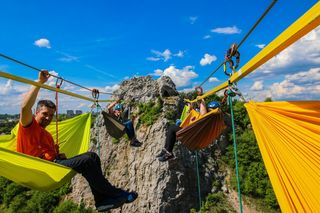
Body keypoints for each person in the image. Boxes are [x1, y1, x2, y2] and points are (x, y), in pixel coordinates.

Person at [16, 70, 138, 212]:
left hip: (53, 163)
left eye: (51, 115)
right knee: (86, 162)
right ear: (36, 113)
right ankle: (114, 193)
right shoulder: (28, 127)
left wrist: (58, 155)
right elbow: (25, 107)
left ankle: (101, 201)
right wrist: (39, 83)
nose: (48, 118)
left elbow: (50, 154)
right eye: (44, 114)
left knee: (92, 156)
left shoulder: (47, 135)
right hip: (40, 168)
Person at [156, 99, 221, 162]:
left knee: (172, 129)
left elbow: (203, 114)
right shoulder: (208, 117)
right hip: (192, 133)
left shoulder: (210, 117)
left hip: (194, 136)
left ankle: (168, 153)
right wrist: (191, 107)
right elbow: (195, 117)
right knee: (172, 130)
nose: (209, 110)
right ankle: (166, 151)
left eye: (210, 109)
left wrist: (202, 101)